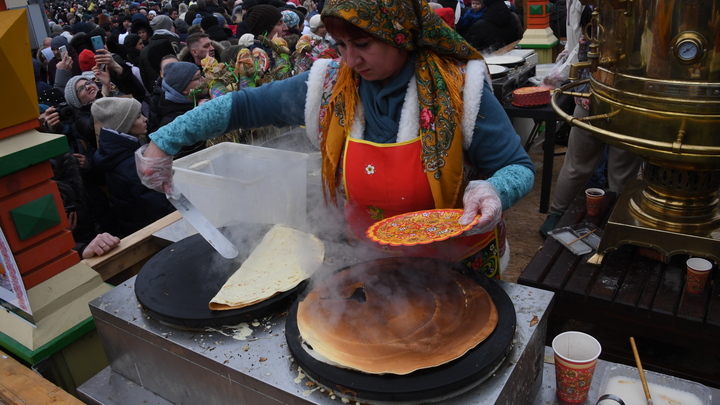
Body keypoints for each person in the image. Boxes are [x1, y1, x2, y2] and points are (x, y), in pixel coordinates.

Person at [136, 0, 534, 279]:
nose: (351, 60)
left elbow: (517, 166)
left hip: (458, 265)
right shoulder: (329, 87)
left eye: (363, 45)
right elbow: (241, 107)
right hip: (371, 262)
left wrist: (493, 191)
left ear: (402, 35)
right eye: (341, 45)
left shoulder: (458, 90)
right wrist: (166, 140)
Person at [92, 97, 176, 237]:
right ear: (125, 124)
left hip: (133, 225)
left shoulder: (114, 154)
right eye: (138, 117)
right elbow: (159, 207)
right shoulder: (133, 166)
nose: (145, 119)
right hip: (149, 231)